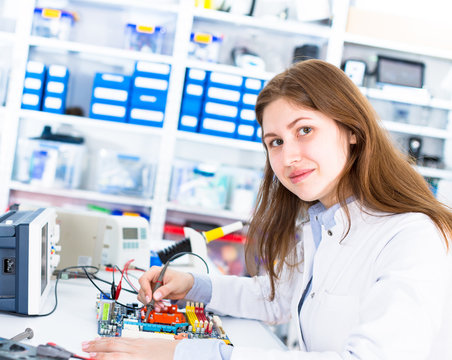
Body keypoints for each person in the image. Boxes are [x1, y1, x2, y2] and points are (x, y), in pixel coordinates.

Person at [81, 59, 452, 359]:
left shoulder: (413, 236)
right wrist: (194, 285)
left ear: (352, 129)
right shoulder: (324, 219)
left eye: (304, 130)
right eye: (275, 141)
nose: (288, 156)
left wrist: (188, 353)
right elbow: (279, 299)